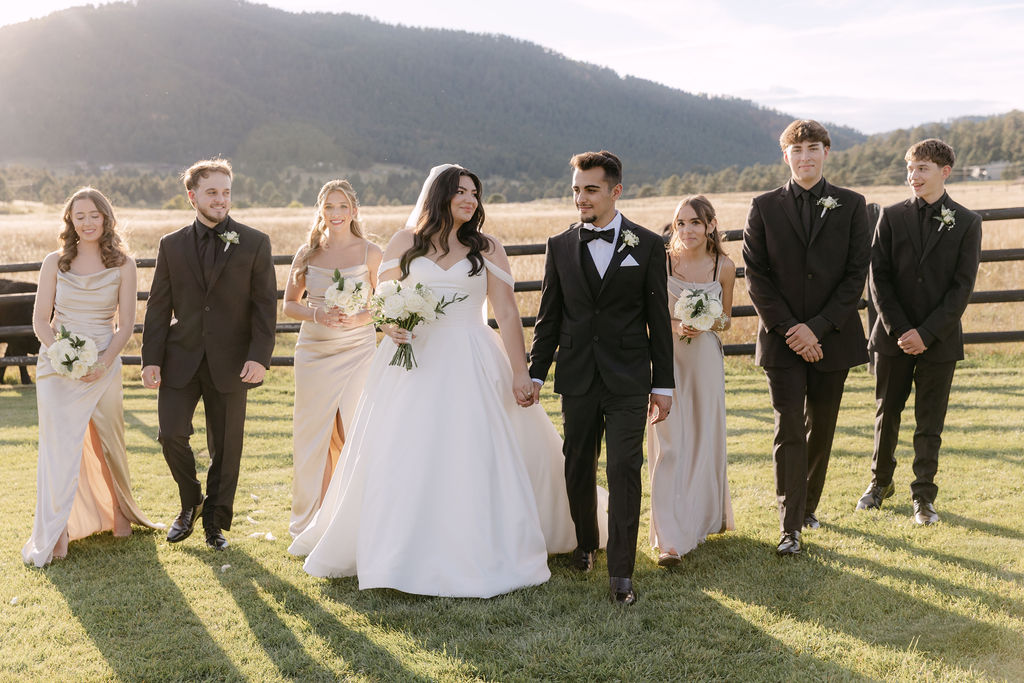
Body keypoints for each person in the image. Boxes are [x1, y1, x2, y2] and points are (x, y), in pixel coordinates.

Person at [290, 164, 607, 598]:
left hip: (473, 355)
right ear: (438, 195)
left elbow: (507, 312)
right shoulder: (405, 243)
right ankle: (399, 548)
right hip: (412, 361)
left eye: (474, 193)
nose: (469, 200)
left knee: (473, 447)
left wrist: (521, 370)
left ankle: (484, 542)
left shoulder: (488, 247)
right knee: (405, 450)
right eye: (460, 191)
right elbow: (382, 302)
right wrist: (391, 326)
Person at [530, 150, 674, 605]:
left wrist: (663, 384)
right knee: (576, 467)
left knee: (624, 470)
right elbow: (548, 319)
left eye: (590, 189)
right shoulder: (558, 246)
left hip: (629, 376)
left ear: (616, 191)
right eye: (575, 189)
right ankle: (587, 544)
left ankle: (622, 575)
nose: (580, 198)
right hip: (577, 376)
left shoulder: (648, 245)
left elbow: (658, 320)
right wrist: (535, 374)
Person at [742, 120, 870, 556]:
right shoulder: (763, 207)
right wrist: (791, 330)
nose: (805, 157)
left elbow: (856, 275)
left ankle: (808, 505)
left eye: (813, 148)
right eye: (796, 150)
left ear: (826, 152)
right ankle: (789, 525)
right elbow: (756, 276)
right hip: (781, 341)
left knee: (822, 427)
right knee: (788, 429)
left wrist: (816, 327)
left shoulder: (853, 205)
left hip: (832, 337)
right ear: (786, 156)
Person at [141, 159, 277, 551]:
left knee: (227, 448)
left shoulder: (254, 242)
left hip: (234, 362)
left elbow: (265, 307)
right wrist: (151, 359)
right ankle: (191, 501)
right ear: (192, 196)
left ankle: (214, 523)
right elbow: (157, 305)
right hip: (179, 357)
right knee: (170, 434)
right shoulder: (171, 244)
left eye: (226, 192)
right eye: (212, 192)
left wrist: (260, 356)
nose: (221, 199)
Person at [22, 188, 158, 567]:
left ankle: (118, 512)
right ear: (70, 220)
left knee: (108, 436)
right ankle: (59, 528)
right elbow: (40, 322)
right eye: (79, 215)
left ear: (106, 218)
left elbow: (126, 323)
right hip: (56, 368)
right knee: (60, 446)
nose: (87, 222)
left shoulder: (124, 265)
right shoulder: (54, 262)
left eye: (93, 215)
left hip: (104, 362)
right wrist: (61, 357)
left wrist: (101, 363)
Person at [856, 139, 982, 524]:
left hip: (939, 340)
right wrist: (901, 330)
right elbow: (878, 279)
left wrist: (925, 333)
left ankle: (924, 496)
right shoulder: (890, 217)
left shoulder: (967, 222)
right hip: (892, 337)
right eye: (910, 168)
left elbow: (962, 287)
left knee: (930, 421)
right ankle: (879, 483)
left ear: (945, 172)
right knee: (886, 414)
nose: (913, 176)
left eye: (922, 168)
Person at [284, 180, 380, 538]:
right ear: (320, 211)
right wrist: (317, 315)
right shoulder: (307, 254)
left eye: (343, 206)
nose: (336, 214)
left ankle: (353, 513)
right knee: (313, 433)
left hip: (358, 351)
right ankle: (313, 517)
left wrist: (360, 317)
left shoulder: (371, 252)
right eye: (329, 207)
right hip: (314, 353)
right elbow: (290, 304)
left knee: (353, 427)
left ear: (354, 211)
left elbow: (385, 304)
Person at [648, 195, 736, 566]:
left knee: (702, 438)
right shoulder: (662, 260)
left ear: (711, 225)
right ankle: (669, 537)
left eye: (695, 223)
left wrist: (706, 322)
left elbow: (728, 320)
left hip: (704, 361)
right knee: (668, 442)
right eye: (680, 223)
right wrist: (675, 324)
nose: (687, 230)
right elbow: (647, 313)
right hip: (666, 358)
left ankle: (698, 522)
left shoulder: (724, 266)